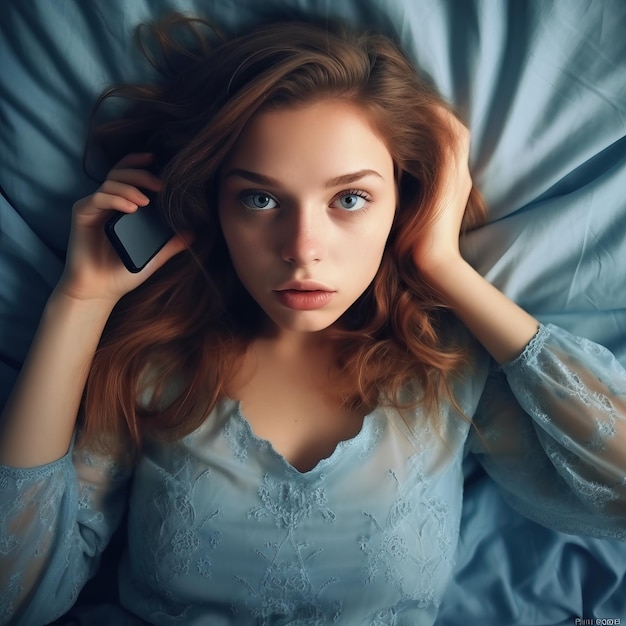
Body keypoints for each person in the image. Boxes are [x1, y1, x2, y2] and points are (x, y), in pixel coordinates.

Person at [0, 14, 624, 626]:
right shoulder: (154, 365)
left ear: (405, 200)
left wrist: (443, 265)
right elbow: (16, 599)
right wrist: (79, 302)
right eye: (260, 198)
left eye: (350, 199)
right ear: (212, 204)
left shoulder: (445, 365)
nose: (302, 248)